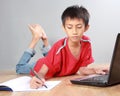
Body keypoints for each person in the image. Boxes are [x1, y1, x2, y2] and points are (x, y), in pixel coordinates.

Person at [29, 5, 109, 89]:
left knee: (52, 55)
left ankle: (45, 42)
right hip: (39, 66)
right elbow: (42, 72)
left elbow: (82, 69)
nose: (74, 31)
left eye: (79, 27)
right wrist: (39, 77)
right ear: (64, 28)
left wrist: (95, 70)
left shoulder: (87, 43)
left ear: (86, 28)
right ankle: (36, 38)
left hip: (54, 61)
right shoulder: (59, 47)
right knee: (20, 67)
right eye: (69, 27)